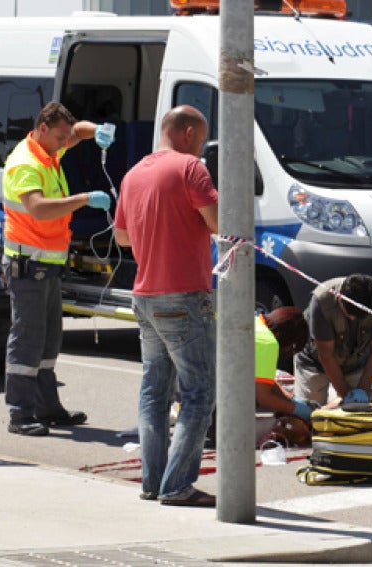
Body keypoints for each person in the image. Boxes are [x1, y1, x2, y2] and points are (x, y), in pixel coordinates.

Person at [113, 105, 219, 507]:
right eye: (202, 139)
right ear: (188, 132)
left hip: (145, 294)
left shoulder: (133, 173)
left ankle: (153, 481)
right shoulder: (191, 169)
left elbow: (123, 238)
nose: (202, 148)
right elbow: (217, 221)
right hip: (185, 294)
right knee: (197, 392)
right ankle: (176, 485)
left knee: (153, 391)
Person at [3, 101, 111, 436]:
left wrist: (99, 131)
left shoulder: (50, 151)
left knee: (49, 342)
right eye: (61, 137)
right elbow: (38, 208)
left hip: (47, 264)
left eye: (67, 138)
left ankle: (47, 408)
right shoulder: (26, 163)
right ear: (43, 128)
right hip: (28, 265)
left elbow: (77, 131)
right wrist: (84, 199)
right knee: (27, 341)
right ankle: (20, 415)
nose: (67, 143)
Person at [293, 274, 372, 406]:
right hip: (315, 363)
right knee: (310, 416)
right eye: (349, 314)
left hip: (355, 364)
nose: (353, 319)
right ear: (340, 298)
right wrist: (345, 395)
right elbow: (326, 355)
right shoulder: (322, 299)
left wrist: (361, 393)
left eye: (359, 317)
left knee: (358, 416)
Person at [254, 306, 314, 420]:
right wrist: (297, 410)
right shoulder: (268, 344)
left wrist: (291, 398)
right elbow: (264, 397)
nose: (287, 350)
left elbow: (264, 381)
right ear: (286, 336)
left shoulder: (257, 323)